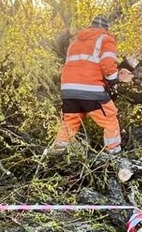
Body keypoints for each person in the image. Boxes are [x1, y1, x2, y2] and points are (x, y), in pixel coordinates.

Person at [48, 15, 123, 156]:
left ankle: (55, 154)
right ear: (106, 29)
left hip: (68, 89)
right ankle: (114, 154)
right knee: (110, 118)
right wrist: (114, 80)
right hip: (91, 89)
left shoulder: (75, 42)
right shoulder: (105, 39)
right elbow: (108, 65)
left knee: (69, 123)